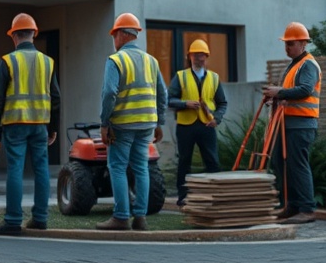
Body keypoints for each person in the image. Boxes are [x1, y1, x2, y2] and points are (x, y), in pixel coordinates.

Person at [0, 13, 60, 236]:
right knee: (41, 170)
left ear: (14, 36)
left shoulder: (8, 61)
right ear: (34, 34)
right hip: (40, 124)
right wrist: (53, 128)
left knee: (16, 170)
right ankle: (40, 218)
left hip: (15, 124)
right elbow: (56, 98)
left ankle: (12, 220)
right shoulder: (48, 62)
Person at [96, 13, 167, 231]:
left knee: (117, 167)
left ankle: (120, 217)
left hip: (122, 125)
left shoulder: (116, 60)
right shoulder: (151, 61)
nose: (114, 40)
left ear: (121, 35)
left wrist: (104, 123)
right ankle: (140, 218)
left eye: (114, 35)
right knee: (141, 168)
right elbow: (162, 94)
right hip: (146, 124)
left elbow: (109, 93)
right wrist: (159, 122)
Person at [262, 21, 321, 225]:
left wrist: (280, 92)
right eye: (286, 44)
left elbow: (305, 89)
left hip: (302, 124)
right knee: (280, 163)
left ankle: (307, 208)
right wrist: (278, 98)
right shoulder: (294, 65)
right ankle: (291, 206)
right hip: (287, 123)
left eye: (291, 43)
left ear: (303, 44)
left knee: (297, 165)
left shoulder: (308, 65)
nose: (287, 47)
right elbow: (294, 94)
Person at [168, 39, 228, 206]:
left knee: (212, 161)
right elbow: (169, 99)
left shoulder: (214, 78)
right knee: (184, 161)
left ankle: (216, 196)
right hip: (186, 125)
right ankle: (183, 197)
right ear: (190, 57)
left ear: (206, 57)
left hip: (207, 125)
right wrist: (184, 104)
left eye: (202, 55)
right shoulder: (181, 77)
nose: (199, 58)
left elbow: (222, 103)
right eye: (195, 54)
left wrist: (217, 118)